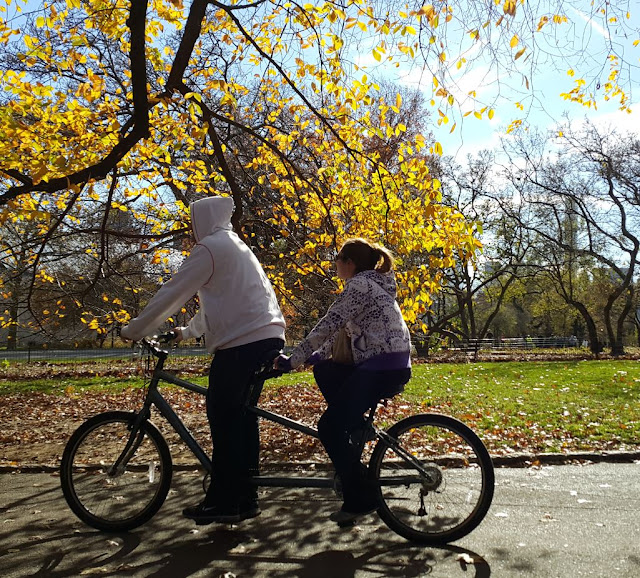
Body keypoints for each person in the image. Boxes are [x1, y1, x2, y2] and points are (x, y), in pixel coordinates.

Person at [120, 196, 285, 524]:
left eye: (193, 220)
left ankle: (224, 501)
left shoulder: (210, 248)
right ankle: (244, 496)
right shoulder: (233, 245)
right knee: (241, 418)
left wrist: (136, 329)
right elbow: (220, 305)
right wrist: (183, 333)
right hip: (264, 336)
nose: (193, 228)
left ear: (203, 219)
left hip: (243, 343)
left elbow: (173, 292)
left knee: (222, 414)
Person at [275, 238, 411, 525]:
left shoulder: (358, 286)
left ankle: (361, 496)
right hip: (389, 364)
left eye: (337, 257)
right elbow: (344, 336)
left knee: (329, 427)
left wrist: (293, 359)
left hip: (380, 368)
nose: (334, 262)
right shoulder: (373, 285)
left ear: (349, 262)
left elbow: (328, 324)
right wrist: (312, 357)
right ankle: (359, 425)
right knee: (325, 370)